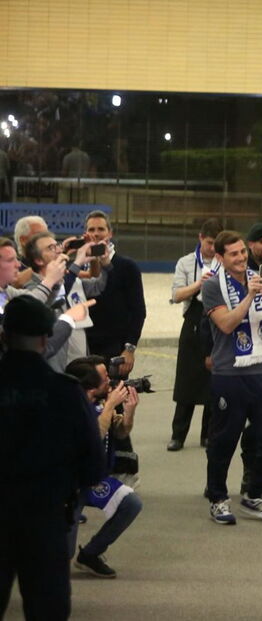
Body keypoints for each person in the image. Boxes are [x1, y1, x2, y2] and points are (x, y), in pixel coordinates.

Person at [0, 296, 104, 620]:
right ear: (46, 340)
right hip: (44, 517)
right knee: (47, 608)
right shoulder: (66, 391)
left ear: (3, 336)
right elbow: (94, 466)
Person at [202, 230, 262, 524]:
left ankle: (255, 492)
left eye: (242, 252)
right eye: (233, 254)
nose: (240, 258)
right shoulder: (212, 286)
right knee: (224, 439)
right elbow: (226, 324)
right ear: (220, 257)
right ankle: (218, 498)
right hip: (230, 371)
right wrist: (250, 296)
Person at [64, 356, 143, 578]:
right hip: (69, 486)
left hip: (93, 478)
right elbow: (90, 440)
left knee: (131, 503)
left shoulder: (98, 404)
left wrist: (128, 411)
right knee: (63, 553)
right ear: (89, 385)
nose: (109, 380)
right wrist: (110, 405)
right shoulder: (70, 408)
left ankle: (90, 554)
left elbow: (119, 431)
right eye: (104, 377)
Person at [167, 218, 222, 451]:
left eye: (216, 243)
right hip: (193, 321)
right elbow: (176, 295)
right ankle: (178, 434)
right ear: (200, 238)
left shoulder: (224, 262)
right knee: (186, 380)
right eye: (209, 242)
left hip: (217, 319)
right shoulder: (186, 262)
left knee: (213, 381)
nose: (212, 248)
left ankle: (208, 434)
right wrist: (199, 284)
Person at [22, 231, 111, 370]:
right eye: (51, 248)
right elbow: (55, 296)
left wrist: (105, 264)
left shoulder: (66, 280)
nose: (59, 250)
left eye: (57, 245)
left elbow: (98, 286)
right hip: (51, 366)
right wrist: (77, 263)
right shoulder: (32, 289)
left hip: (75, 356)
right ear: (38, 260)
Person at [84, 210, 146, 374]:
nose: (96, 234)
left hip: (114, 347)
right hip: (84, 346)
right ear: (86, 234)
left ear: (110, 233)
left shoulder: (127, 267)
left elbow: (138, 311)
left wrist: (129, 348)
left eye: (101, 229)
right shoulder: (77, 267)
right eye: (91, 230)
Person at [11, 215, 47, 288]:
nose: (46, 239)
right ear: (23, 240)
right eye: (39, 235)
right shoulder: (13, 268)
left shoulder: (53, 264)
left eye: (46, 235)